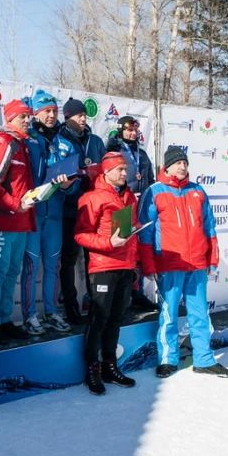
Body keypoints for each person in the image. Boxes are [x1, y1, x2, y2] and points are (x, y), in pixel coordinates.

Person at [138, 146, 228, 379]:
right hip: (169, 264)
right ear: (167, 166)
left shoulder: (197, 191)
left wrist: (212, 257)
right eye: (178, 163)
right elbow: (145, 233)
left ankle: (203, 358)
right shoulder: (155, 192)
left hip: (197, 264)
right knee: (169, 315)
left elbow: (209, 227)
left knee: (200, 314)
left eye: (185, 163)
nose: (182, 166)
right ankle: (167, 359)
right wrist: (148, 266)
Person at [74, 152, 140, 395]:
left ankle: (110, 366)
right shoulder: (91, 198)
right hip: (103, 267)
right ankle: (92, 370)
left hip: (125, 266)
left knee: (116, 319)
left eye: (125, 169)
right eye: (120, 169)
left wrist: (135, 261)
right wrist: (109, 243)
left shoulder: (130, 195)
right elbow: (80, 234)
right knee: (99, 319)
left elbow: (131, 230)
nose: (125, 173)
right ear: (106, 172)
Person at [0, 99, 35, 344]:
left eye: (28, 116)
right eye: (22, 116)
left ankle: (5, 318)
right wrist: (14, 206)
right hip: (3, 220)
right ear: (9, 119)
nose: (27, 120)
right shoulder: (3, 143)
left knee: (13, 271)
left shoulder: (22, 144)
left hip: (20, 220)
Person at [20, 90, 75, 335]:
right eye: (46, 111)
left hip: (55, 214)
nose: (52, 115)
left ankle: (51, 313)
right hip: (31, 213)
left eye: (54, 111)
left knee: (53, 265)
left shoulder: (66, 143)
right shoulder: (26, 137)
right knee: (31, 266)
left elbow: (76, 181)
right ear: (36, 113)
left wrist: (68, 185)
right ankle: (29, 316)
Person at [57, 98, 105, 324]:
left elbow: (105, 168)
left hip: (93, 208)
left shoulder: (94, 141)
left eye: (85, 115)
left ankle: (96, 302)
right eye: (79, 116)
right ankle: (71, 306)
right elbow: (56, 173)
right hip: (69, 209)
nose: (84, 119)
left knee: (93, 259)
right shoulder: (60, 140)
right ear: (67, 117)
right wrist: (71, 183)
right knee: (68, 260)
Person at [106, 115, 157, 313]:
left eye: (136, 129)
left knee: (140, 250)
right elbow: (108, 179)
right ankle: (123, 295)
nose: (133, 133)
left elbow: (150, 179)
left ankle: (137, 293)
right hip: (123, 206)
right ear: (120, 130)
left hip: (142, 209)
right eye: (129, 129)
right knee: (124, 250)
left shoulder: (142, 154)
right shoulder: (115, 151)